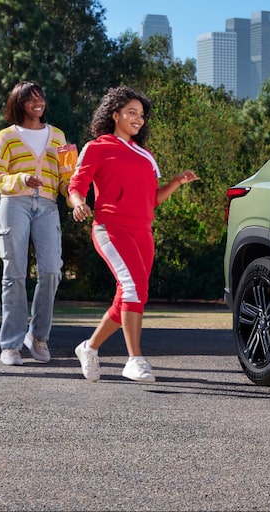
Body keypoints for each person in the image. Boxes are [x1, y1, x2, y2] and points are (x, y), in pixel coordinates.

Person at [67, 86, 199, 383]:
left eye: (141, 114)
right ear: (115, 115)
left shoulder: (145, 155)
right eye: (131, 113)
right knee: (133, 289)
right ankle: (134, 359)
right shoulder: (98, 146)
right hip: (110, 229)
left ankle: (89, 348)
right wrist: (78, 204)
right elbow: (76, 185)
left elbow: (152, 199)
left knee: (129, 295)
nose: (138, 119)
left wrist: (177, 181)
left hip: (143, 231)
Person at [0, 81, 76, 366]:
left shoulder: (59, 136)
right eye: (31, 99)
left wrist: (76, 200)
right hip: (14, 203)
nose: (38, 103)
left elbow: (69, 177)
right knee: (14, 274)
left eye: (41, 97)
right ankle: (10, 345)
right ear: (19, 103)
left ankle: (37, 337)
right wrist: (22, 179)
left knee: (51, 271)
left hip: (48, 206)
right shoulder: (7, 136)